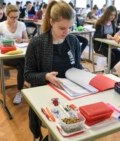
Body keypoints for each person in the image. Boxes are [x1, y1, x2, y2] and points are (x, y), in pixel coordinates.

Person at [24, 1, 83, 140]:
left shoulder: (73, 41)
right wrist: (46, 76)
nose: (66, 32)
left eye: (70, 27)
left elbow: (78, 67)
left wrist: (85, 74)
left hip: (72, 95)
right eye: (62, 28)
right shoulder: (37, 43)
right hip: (48, 97)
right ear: (51, 22)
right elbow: (27, 75)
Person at [0, 4, 29, 105]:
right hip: (6, 55)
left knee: (22, 63)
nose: (14, 19)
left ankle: (20, 90)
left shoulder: (21, 24)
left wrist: (22, 39)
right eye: (12, 17)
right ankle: (22, 89)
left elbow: (27, 39)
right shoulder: (0, 25)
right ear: (6, 15)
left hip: (18, 53)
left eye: (16, 17)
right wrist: (3, 40)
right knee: (23, 62)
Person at [93, 6, 120, 71]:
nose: (112, 17)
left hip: (109, 46)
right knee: (112, 56)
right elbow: (96, 36)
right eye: (111, 15)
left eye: (114, 15)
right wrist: (105, 35)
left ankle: (108, 68)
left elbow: (117, 30)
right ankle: (108, 70)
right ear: (107, 14)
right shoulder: (100, 23)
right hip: (100, 46)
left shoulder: (112, 23)